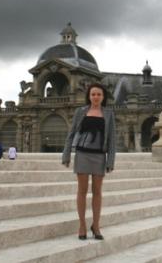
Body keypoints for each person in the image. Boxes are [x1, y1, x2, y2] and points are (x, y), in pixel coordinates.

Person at [62, 83, 116, 241]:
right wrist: (66, 155)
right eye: (93, 94)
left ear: (103, 97)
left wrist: (110, 160)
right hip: (82, 154)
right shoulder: (80, 112)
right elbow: (71, 134)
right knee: (82, 191)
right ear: (89, 96)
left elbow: (112, 139)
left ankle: (96, 225)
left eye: (99, 94)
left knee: (97, 192)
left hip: (99, 155)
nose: (96, 97)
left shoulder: (108, 113)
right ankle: (82, 225)